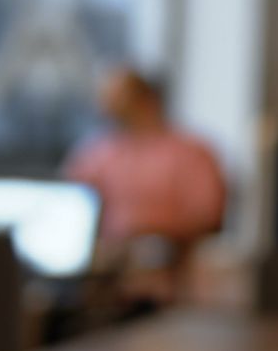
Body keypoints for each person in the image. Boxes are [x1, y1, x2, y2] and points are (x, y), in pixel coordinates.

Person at [63, 67, 225, 310]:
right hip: (101, 275)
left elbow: (206, 216)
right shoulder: (97, 151)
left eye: (116, 97)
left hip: (168, 275)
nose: (104, 105)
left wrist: (146, 237)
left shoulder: (189, 152)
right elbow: (69, 199)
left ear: (146, 100)